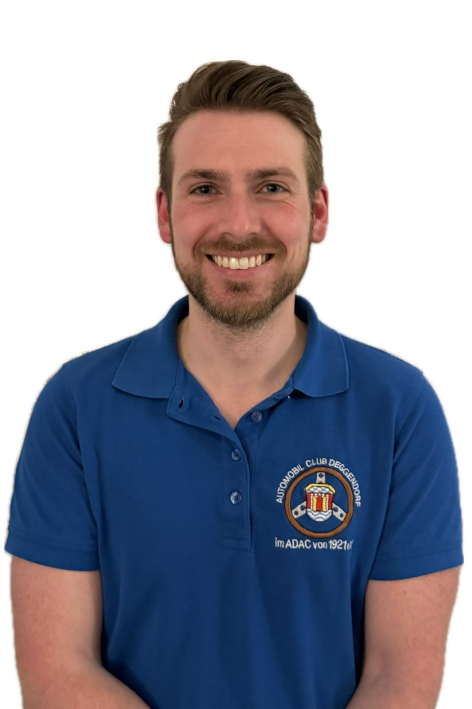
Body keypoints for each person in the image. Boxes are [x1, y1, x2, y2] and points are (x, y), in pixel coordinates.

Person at [5, 60, 464, 709]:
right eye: (205, 188)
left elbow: (398, 680)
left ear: (318, 212)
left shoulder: (400, 409)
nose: (239, 223)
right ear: (165, 214)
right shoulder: (75, 407)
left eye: (271, 186)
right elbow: (58, 675)